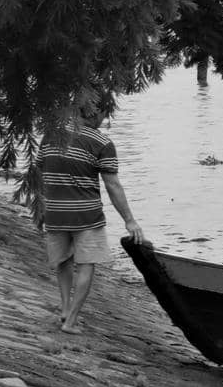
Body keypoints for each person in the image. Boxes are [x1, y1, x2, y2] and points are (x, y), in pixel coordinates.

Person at [37, 95, 144, 334]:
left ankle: (64, 309)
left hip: (55, 212)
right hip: (86, 216)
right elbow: (113, 185)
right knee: (86, 264)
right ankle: (71, 321)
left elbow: (41, 167)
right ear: (96, 113)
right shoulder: (101, 143)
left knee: (63, 261)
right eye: (105, 115)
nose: (105, 120)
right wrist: (130, 220)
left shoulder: (51, 135)